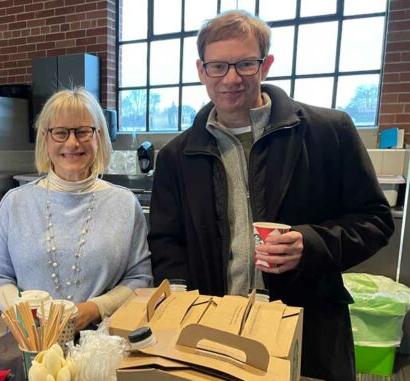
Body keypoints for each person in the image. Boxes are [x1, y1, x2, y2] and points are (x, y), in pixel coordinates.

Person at [148, 10, 394, 381]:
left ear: (266, 65)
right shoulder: (177, 156)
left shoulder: (328, 132)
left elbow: (375, 219)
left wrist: (310, 244)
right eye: (218, 66)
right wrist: (183, 310)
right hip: (214, 329)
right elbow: (167, 243)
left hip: (308, 326)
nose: (231, 78)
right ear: (202, 70)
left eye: (245, 64)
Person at [0, 88, 152, 331]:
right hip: (31, 344)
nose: (72, 143)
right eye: (60, 133)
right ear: (45, 138)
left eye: (83, 131)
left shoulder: (124, 204)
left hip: (101, 348)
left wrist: (95, 308)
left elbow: (140, 279)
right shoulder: (15, 202)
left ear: (99, 136)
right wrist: (27, 314)